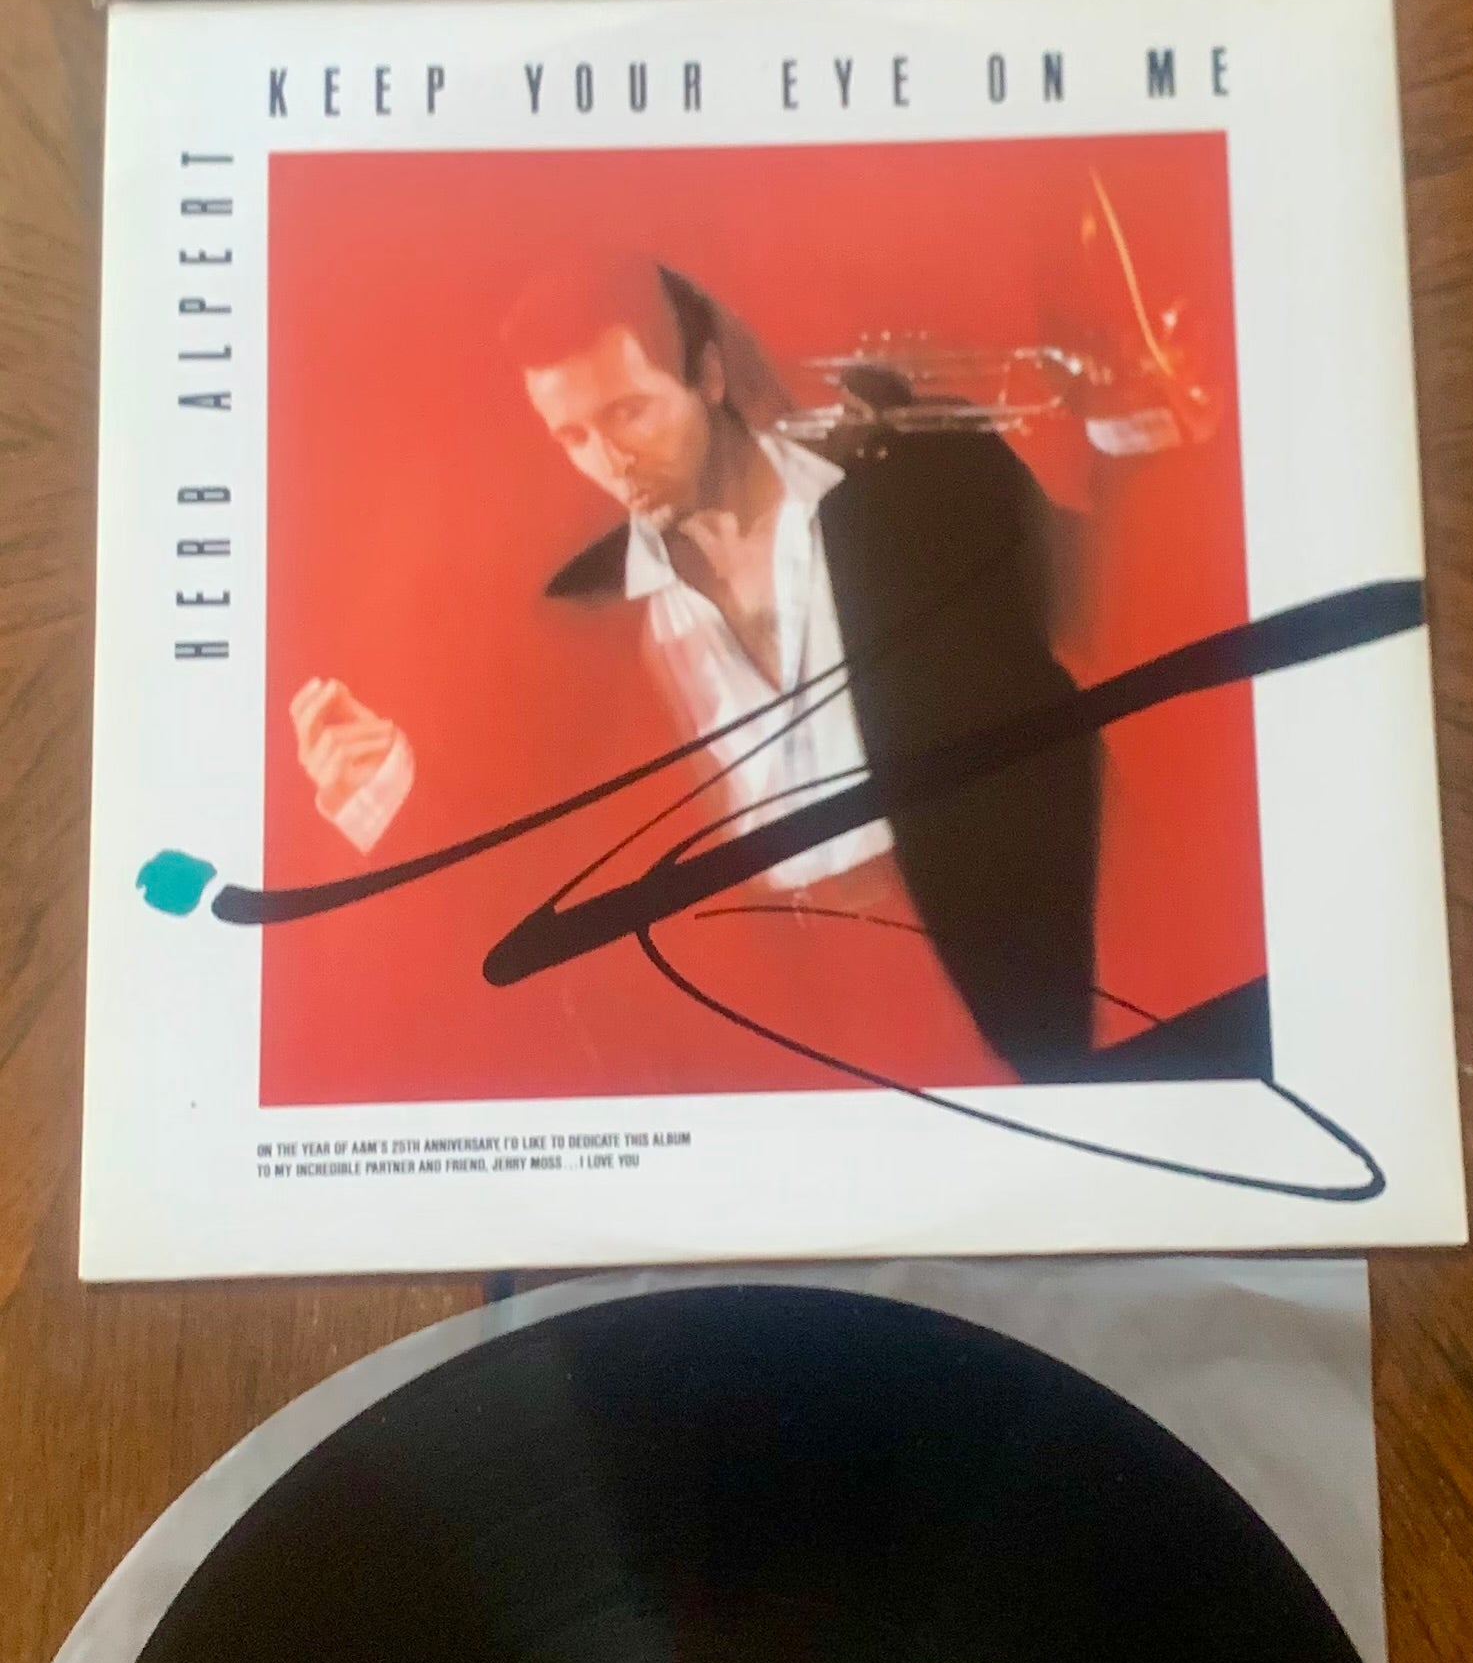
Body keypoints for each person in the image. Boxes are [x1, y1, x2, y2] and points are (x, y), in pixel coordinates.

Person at [291, 255, 1104, 1083]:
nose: (611, 460)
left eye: (629, 411)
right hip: (763, 1020)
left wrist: (1126, 430)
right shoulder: (588, 625)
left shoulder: (912, 488)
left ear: (708, 376)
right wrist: (392, 787)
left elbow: (1099, 600)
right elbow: (536, 872)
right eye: (573, 437)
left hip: (985, 957)